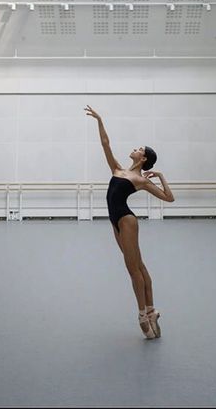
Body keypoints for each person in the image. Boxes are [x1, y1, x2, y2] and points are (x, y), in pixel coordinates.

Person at [84, 105, 175, 339]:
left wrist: (162, 176)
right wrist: (99, 120)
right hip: (115, 221)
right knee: (138, 267)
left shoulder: (140, 180)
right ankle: (152, 311)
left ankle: (143, 315)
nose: (134, 149)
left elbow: (169, 198)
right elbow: (106, 144)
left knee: (134, 269)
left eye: (139, 149)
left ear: (143, 158)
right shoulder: (117, 168)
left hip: (126, 220)